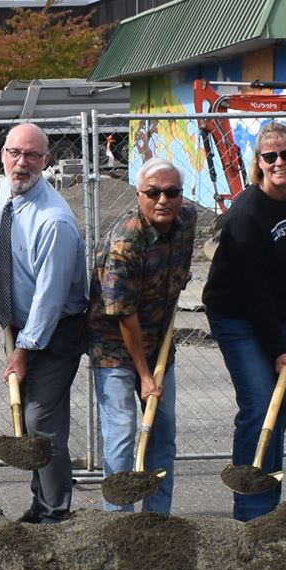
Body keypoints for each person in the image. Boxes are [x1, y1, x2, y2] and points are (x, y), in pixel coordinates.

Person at [207, 122, 286, 520]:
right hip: (238, 315)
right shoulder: (247, 214)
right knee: (260, 405)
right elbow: (253, 290)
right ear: (258, 163)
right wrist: (278, 350)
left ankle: (270, 499)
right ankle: (251, 509)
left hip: (284, 310)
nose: (280, 162)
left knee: (281, 407)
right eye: (270, 156)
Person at [0, 121, 89, 524]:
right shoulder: (10, 190)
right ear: (2, 154)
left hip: (56, 331)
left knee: (39, 422)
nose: (21, 162)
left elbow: (50, 302)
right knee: (34, 421)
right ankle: (40, 504)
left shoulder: (55, 221)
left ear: (46, 161)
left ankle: (55, 513)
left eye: (32, 155)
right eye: (14, 153)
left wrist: (21, 350)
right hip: (23, 327)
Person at [91, 159, 198, 513]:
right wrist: (144, 374)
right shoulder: (126, 242)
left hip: (159, 341)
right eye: (153, 192)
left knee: (162, 435)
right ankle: (118, 521)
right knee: (122, 435)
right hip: (115, 347)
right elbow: (123, 313)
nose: (163, 199)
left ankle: (157, 521)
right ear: (139, 195)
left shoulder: (187, 221)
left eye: (172, 192)